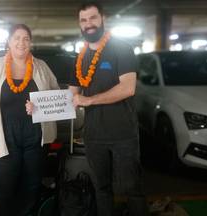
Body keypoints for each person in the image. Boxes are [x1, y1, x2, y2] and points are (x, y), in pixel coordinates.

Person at [0, 24, 59, 216]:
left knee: (32, 184)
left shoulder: (41, 67)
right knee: (1, 185)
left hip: (35, 137)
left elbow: (57, 100)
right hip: (3, 136)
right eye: (17, 37)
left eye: (26, 38)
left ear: (30, 43)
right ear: (8, 41)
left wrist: (41, 107)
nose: (21, 42)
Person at [69, 2, 143, 216]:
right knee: (101, 189)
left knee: (132, 189)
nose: (88, 24)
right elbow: (72, 94)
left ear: (103, 19)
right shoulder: (80, 57)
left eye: (92, 18)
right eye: (83, 20)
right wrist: (39, 107)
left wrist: (89, 100)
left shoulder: (121, 48)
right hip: (93, 135)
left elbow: (127, 88)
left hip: (123, 134)